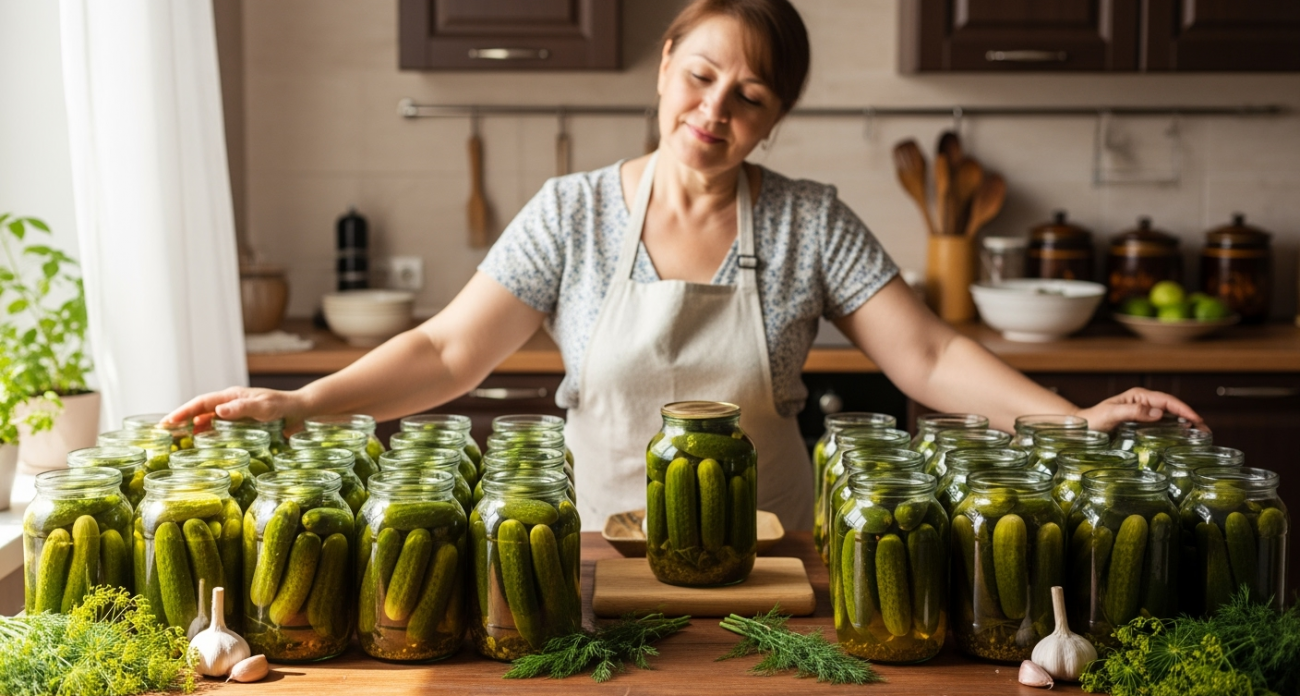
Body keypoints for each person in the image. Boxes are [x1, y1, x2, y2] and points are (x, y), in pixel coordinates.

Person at [166, 0, 1201, 532]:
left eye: (748, 96)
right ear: (666, 64)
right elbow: (446, 351)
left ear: (773, 119)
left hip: (775, 567)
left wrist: (1074, 423)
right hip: (589, 561)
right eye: (701, 76)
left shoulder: (806, 222)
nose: (714, 110)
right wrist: (302, 406)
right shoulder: (569, 214)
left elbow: (926, 355)